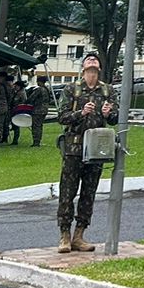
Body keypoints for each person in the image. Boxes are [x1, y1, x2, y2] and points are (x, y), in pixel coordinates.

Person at [55, 54, 117, 253]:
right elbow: (62, 117)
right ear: (83, 69)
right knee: (67, 192)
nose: (92, 62)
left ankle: (79, 234)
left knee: (88, 193)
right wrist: (80, 113)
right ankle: (64, 234)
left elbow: (116, 119)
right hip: (74, 149)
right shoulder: (72, 89)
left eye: (95, 61)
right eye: (88, 61)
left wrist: (108, 114)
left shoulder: (107, 90)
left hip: (96, 149)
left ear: (99, 68)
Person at [26, 75, 54, 147]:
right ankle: (38, 140)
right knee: (40, 126)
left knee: (36, 126)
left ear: (40, 82)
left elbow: (32, 98)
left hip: (37, 110)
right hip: (44, 110)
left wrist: (26, 102)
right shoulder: (47, 89)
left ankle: (36, 142)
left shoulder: (39, 89)